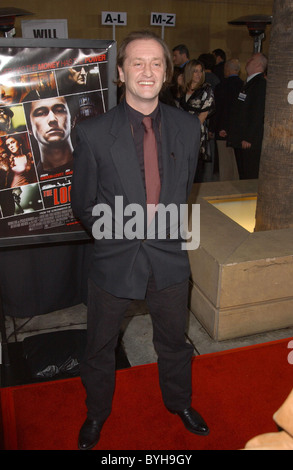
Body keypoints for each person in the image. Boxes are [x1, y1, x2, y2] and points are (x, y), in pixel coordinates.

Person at [71, 30, 209, 451]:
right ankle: (96, 413)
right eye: (137, 62)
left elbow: (184, 186)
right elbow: (84, 204)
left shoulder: (189, 127)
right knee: (99, 344)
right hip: (115, 256)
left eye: (156, 63)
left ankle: (179, 402)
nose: (146, 71)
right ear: (120, 72)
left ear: (167, 73)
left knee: (174, 340)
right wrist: (119, 234)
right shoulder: (93, 132)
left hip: (168, 257)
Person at [227, 52, 267, 179]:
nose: (248, 60)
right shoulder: (249, 82)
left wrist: (249, 137)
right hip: (240, 137)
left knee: (249, 174)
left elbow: (258, 112)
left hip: (248, 140)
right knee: (243, 173)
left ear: (259, 64)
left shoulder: (260, 83)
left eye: (252, 59)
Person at [179, 59, 215, 182]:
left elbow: (204, 114)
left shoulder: (206, 90)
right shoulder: (183, 89)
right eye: (195, 71)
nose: (199, 74)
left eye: (200, 71)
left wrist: (190, 132)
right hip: (180, 132)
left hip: (196, 132)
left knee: (195, 168)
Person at [26, 96, 74, 178]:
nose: (52, 119)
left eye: (59, 111)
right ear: (29, 128)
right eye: (41, 113)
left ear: (72, 120)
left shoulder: (92, 164)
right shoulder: (30, 179)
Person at [214, 59, 243, 180]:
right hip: (239, 131)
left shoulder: (222, 86)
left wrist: (221, 127)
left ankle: (225, 189)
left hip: (223, 129)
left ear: (227, 69)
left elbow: (220, 109)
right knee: (236, 163)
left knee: (225, 163)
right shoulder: (244, 85)